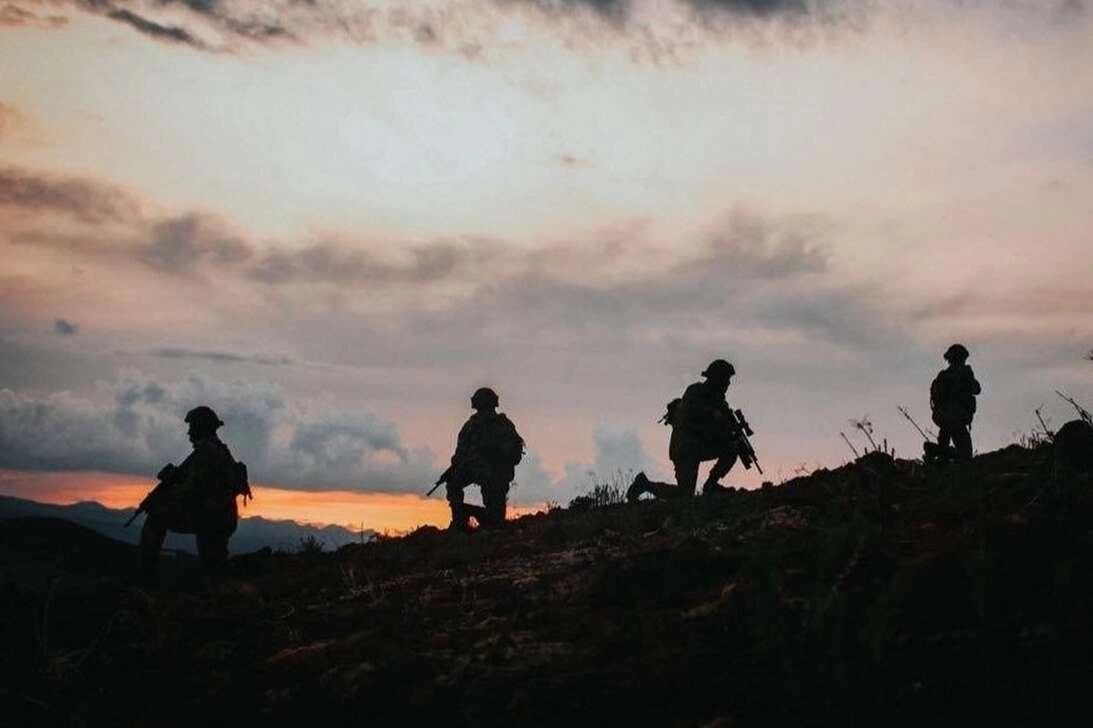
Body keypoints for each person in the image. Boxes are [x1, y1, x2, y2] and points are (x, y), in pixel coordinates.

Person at [135, 406, 250, 585]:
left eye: (192, 426)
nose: (189, 432)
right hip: (219, 517)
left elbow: (190, 493)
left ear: (201, 427)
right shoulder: (213, 450)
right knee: (215, 568)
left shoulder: (207, 453)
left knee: (156, 519)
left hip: (212, 518)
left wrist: (162, 498)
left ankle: (145, 577)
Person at [628, 359, 742, 501]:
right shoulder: (695, 391)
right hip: (685, 448)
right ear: (717, 378)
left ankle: (711, 485)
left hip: (700, 445)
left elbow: (720, 429)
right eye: (725, 379)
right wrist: (712, 414)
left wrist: (729, 430)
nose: (728, 384)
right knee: (685, 495)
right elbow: (689, 413)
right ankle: (644, 485)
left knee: (733, 448)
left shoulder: (719, 401)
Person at [442, 387, 524, 531]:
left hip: (486, 473)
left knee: (453, 483)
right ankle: (466, 519)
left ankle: (461, 519)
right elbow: (516, 452)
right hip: (499, 476)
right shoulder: (505, 424)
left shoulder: (471, 426)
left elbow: (458, 457)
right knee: (496, 520)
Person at [929, 344, 981, 462]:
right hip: (955, 417)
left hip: (943, 417)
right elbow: (977, 389)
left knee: (945, 442)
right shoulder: (963, 374)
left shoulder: (943, 376)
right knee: (965, 453)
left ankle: (941, 455)